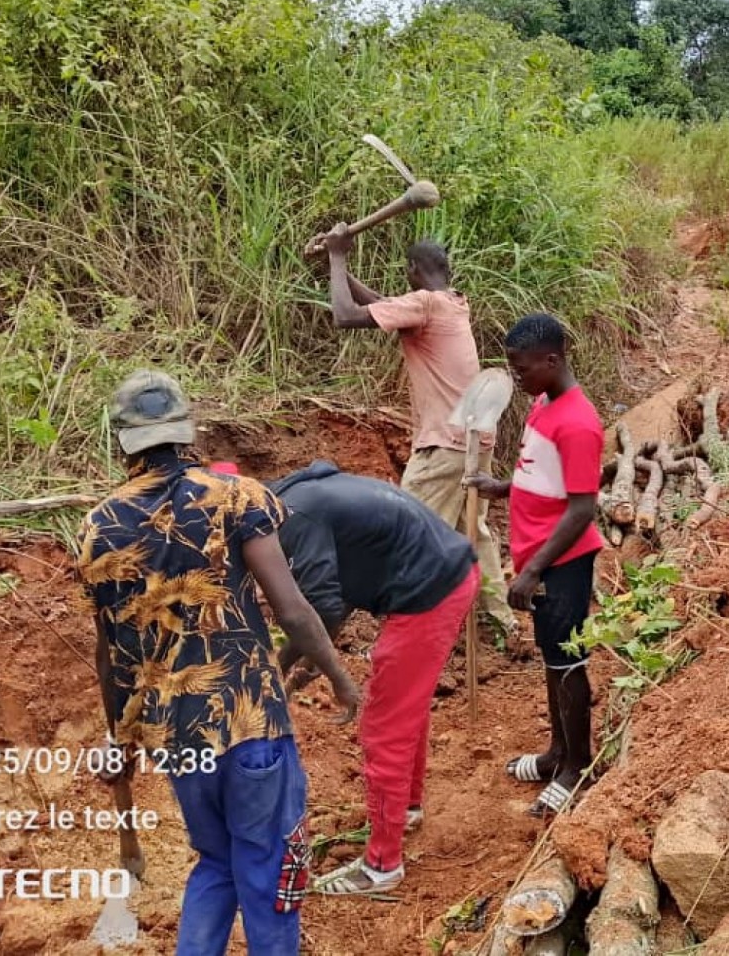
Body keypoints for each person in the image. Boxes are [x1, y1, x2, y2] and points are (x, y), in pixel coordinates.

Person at [78, 371, 360, 955]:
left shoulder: (98, 527)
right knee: (270, 871)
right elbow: (294, 611)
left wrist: (119, 736)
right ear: (187, 431)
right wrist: (339, 678)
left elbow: (110, 655)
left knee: (215, 862)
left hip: (178, 737)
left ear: (121, 441)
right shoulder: (237, 497)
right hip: (250, 723)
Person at [261, 461, 480, 893]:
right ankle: (407, 809)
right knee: (405, 709)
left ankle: (382, 865)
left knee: (383, 728)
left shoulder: (294, 520)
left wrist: (280, 667)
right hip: (445, 573)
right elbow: (332, 596)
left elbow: (316, 610)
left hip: (428, 594)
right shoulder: (295, 499)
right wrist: (308, 661)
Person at [323, 229, 513, 633]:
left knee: (407, 532)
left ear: (412, 271)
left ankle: (408, 626)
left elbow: (346, 316)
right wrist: (334, 261)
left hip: (444, 444)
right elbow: (383, 306)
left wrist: (338, 260)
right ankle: (498, 624)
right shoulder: (453, 304)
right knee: (471, 530)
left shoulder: (426, 305)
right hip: (474, 440)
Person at [465, 314, 603, 817]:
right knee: (551, 658)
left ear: (552, 360)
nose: (514, 376)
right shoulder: (543, 404)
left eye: (520, 368)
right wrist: (503, 487)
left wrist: (533, 571)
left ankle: (577, 767)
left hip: (561, 563)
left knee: (568, 664)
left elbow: (581, 508)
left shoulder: (579, 423)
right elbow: (542, 473)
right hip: (540, 556)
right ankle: (555, 753)